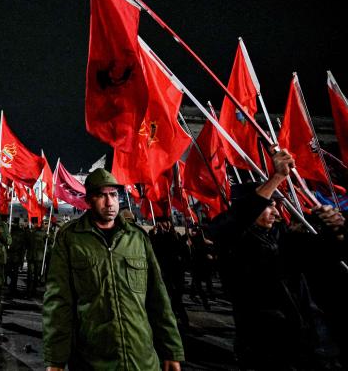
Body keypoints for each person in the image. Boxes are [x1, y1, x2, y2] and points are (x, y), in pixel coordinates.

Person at [211, 149, 345, 370]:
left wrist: (336, 231)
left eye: (276, 205)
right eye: (268, 205)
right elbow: (239, 219)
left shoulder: (284, 237)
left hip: (314, 345)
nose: (275, 212)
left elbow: (324, 260)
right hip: (269, 349)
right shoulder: (231, 238)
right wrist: (277, 177)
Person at [43, 168, 184, 370]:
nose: (110, 203)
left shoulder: (137, 238)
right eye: (101, 196)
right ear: (89, 200)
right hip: (93, 360)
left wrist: (171, 350)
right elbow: (58, 303)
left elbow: (158, 299)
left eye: (113, 195)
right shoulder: (71, 239)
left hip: (141, 359)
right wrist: (55, 360)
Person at [26, 217, 47, 298]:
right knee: (31, 275)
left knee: (34, 276)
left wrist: (48, 236)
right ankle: (29, 292)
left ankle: (32, 291)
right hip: (33, 257)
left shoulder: (42, 233)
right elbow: (26, 242)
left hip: (37, 257)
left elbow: (50, 242)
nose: (34, 224)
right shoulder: (30, 232)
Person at [6, 216, 27, 296]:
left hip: (16, 255)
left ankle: (12, 288)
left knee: (14, 273)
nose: (14, 224)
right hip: (10, 254)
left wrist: (22, 258)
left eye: (15, 223)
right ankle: (11, 286)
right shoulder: (9, 230)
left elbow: (23, 246)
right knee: (8, 271)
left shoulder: (21, 233)